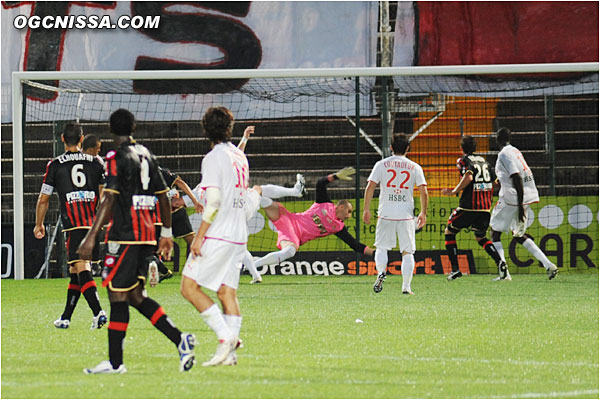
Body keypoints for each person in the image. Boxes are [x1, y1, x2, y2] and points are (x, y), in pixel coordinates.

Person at [77, 108, 195, 374]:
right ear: (132, 127)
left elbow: (108, 198)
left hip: (124, 236)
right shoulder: (146, 154)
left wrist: (90, 236)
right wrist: (165, 233)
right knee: (135, 295)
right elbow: (164, 196)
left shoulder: (116, 157)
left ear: (110, 129)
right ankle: (179, 339)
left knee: (118, 293)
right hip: (145, 234)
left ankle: (115, 362)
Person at [175, 126, 305, 284]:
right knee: (258, 191)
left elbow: (178, 202)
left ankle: (212, 272)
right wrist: (244, 138)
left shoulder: (198, 190)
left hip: (225, 219)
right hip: (242, 208)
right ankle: (255, 275)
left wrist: (168, 196)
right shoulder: (225, 177)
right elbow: (237, 156)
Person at [180, 106, 254, 367]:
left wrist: (199, 236)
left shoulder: (212, 158)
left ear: (205, 129)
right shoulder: (239, 156)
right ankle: (230, 356)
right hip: (239, 233)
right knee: (226, 293)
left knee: (188, 287)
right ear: (229, 127)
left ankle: (226, 338)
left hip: (220, 233)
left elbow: (213, 202)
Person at [33, 122, 107, 330]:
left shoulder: (55, 165)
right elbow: (104, 195)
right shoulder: (96, 163)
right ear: (82, 139)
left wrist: (39, 224)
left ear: (62, 139)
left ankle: (98, 312)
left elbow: (43, 198)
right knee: (76, 269)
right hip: (92, 225)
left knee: (81, 266)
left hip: (75, 225)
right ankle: (66, 317)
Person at [252, 167, 376, 273]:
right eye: (349, 212)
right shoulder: (325, 203)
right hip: (289, 219)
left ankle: (253, 265)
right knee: (261, 197)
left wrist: (375, 254)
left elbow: (355, 245)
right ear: (341, 207)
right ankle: (248, 196)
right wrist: (336, 176)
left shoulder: (338, 227)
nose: (349, 216)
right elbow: (320, 183)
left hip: (294, 235)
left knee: (289, 252)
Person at [489, 127, 558, 281]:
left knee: (494, 233)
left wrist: (520, 206)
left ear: (497, 140)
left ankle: (504, 273)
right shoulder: (515, 151)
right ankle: (548, 265)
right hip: (525, 196)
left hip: (512, 199)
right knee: (518, 234)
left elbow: (516, 177)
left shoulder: (504, 154)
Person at [363, 134, 428, 295]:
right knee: (407, 251)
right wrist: (423, 213)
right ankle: (406, 287)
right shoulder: (415, 167)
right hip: (405, 215)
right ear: (407, 148)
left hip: (385, 213)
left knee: (382, 247)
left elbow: (370, 187)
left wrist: (366, 209)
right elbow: (423, 192)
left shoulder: (381, 164)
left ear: (391, 148)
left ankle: (380, 273)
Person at [441, 135, 505, 280]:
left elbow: (469, 177)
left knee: (449, 232)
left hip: (468, 206)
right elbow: (496, 183)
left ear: (461, 148)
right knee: (480, 237)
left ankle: (456, 269)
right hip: (485, 208)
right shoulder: (485, 162)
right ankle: (500, 262)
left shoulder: (463, 160)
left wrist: (454, 191)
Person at [148, 166, 204, 285]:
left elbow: (180, 182)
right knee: (158, 247)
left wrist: (194, 201)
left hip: (167, 214)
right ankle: (161, 271)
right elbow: (179, 183)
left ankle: (207, 266)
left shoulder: (158, 172)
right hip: (164, 214)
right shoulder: (155, 173)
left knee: (191, 242)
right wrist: (194, 201)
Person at [81, 133, 104, 277]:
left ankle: (82, 264)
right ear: (91, 148)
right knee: (94, 233)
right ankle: (94, 265)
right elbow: (101, 186)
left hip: (75, 203)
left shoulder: (72, 159)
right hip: (91, 203)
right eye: (98, 148)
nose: (99, 151)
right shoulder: (97, 163)